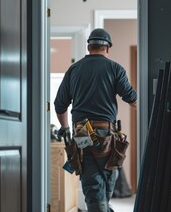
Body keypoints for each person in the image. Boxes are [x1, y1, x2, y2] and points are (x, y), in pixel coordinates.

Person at [54, 28, 137, 212]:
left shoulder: (74, 70)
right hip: (107, 134)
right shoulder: (115, 69)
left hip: (81, 133)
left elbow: (60, 105)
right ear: (107, 48)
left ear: (89, 47)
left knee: (94, 187)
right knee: (106, 183)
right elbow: (133, 99)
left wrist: (65, 128)